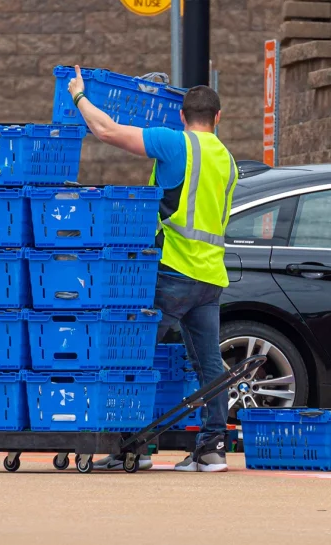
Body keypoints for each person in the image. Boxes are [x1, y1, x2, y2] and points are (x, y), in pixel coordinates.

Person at [65, 66, 237, 473]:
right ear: (219, 116)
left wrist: (78, 96)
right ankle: (212, 448)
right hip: (210, 277)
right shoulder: (227, 159)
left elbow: (106, 130)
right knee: (209, 363)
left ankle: (133, 448)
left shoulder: (176, 145)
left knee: (133, 359)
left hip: (172, 271)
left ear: (181, 115)